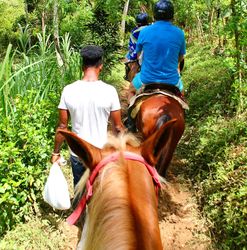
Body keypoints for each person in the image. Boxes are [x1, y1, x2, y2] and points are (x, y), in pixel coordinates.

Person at [51, 45, 124, 187]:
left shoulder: (68, 90)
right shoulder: (109, 91)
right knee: (101, 192)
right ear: (100, 66)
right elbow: (118, 127)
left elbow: (62, 127)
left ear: (82, 66)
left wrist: (56, 152)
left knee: (80, 191)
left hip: (78, 153)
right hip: (101, 153)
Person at [131, 0, 186, 95]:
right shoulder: (179, 33)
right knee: (183, 98)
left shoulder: (144, 32)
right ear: (172, 16)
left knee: (130, 90)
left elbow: (139, 56)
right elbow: (180, 57)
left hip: (146, 79)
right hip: (172, 81)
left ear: (154, 15)